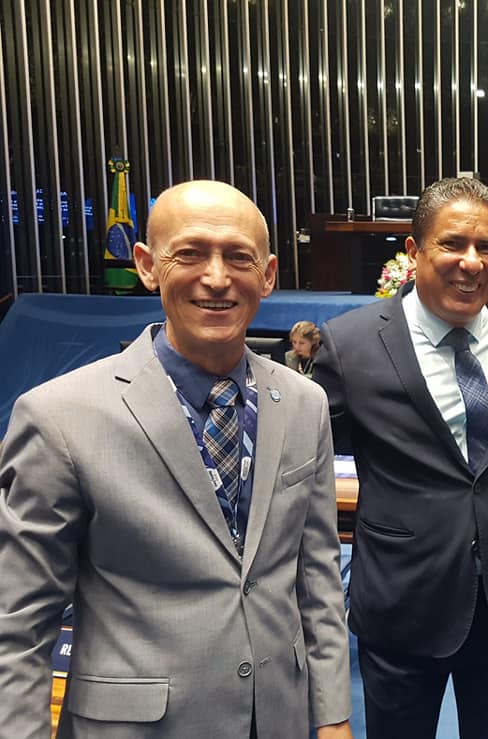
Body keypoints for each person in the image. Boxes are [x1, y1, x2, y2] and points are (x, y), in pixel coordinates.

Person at [0, 180, 352, 739]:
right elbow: (18, 623)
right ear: (147, 265)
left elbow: (318, 576)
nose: (217, 277)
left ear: (268, 275)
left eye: (238, 257)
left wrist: (332, 715)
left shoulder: (305, 403)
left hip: (277, 719)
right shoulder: (58, 416)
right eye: (190, 253)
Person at [312, 177, 488, 739]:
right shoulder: (350, 342)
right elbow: (305, 458)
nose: (471, 262)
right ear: (414, 250)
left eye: (487, 247)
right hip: (403, 602)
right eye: (452, 243)